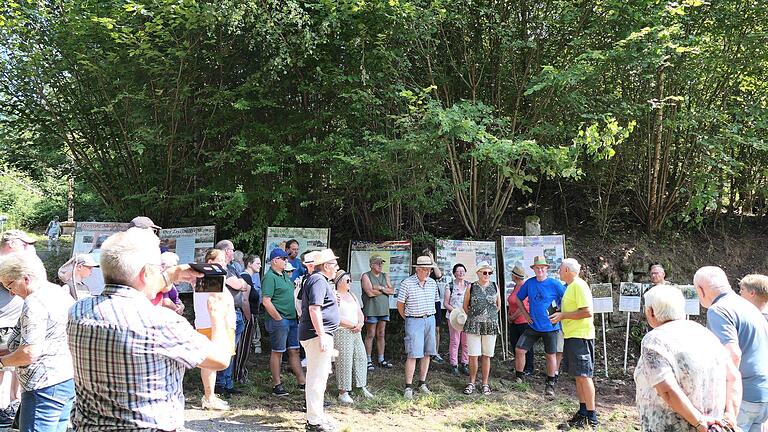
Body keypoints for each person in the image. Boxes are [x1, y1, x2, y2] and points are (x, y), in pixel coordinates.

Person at [67, 228, 233, 431]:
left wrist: (171, 275)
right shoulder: (162, 323)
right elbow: (220, 359)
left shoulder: (77, 312)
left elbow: (131, 294)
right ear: (147, 273)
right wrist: (217, 314)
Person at [635, 285, 740, 431]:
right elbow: (733, 376)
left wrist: (698, 422)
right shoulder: (704, 333)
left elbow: (666, 389)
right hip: (713, 426)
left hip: (674, 426)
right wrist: (730, 416)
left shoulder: (655, 339)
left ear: (650, 311)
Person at [0, 252, 74, 432]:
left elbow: (29, 353)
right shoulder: (59, 292)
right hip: (65, 379)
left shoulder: (34, 302)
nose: (10, 292)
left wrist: (2, 363)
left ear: (25, 278)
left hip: (42, 387)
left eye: (10, 284)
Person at [696, 266, 768, 431]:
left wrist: (729, 407)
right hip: (763, 394)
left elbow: (732, 355)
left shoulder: (719, 310)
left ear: (700, 290)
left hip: (743, 396)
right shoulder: (749, 307)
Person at [548, 258, 598, 429]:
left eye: (560, 269)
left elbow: (587, 312)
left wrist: (563, 315)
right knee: (578, 376)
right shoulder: (571, 287)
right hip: (572, 336)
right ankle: (583, 412)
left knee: (584, 376)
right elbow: (575, 310)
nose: (559, 272)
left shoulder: (579, 285)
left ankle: (592, 417)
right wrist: (560, 313)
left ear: (568, 270)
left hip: (581, 337)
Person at [299, 249, 341, 431]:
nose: (337, 268)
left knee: (319, 377)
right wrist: (322, 335)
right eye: (334, 264)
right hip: (316, 336)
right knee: (317, 378)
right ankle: (314, 422)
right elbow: (314, 309)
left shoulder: (318, 280)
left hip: (317, 335)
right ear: (326, 266)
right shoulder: (318, 280)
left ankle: (317, 416)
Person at [512, 255, 566, 396]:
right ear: (534, 269)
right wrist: (525, 314)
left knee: (550, 355)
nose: (540, 270)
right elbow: (518, 299)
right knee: (519, 349)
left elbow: (566, 299)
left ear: (546, 269)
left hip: (551, 327)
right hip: (533, 326)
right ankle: (519, 376)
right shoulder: (529, 283)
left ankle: (550, 382)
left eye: (542, 267)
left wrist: (560, 312)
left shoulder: (554, 284)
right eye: (537, 268)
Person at [193, 249, 237, 410]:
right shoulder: (209, 277)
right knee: (210, 363)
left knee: (212, 363)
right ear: (210, 263)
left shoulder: (211, 277)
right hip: (211, 326)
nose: (224, 263)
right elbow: (214, 303)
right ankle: (209, 397)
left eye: (225, 260)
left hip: (216, 325)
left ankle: (210, 396)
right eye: (221, 260)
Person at [0, 230, 33, 426]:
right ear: (11, 244)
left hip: (12, 322)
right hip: (3, 324)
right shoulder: (6, 264)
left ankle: (10, 405)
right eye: (24, 244)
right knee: (4, 366)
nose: (27, 248)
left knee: (12, 366)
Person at [262, 247, 306, 396]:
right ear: (275, 260)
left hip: (292, 319)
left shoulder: (284, 276)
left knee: (295, 350)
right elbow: (266, 301)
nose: (287, 261)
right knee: (277, 352)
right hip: (280, 320)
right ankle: (277, 385)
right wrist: (279, 319)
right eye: (284, 258)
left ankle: (302, 382)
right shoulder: (270, 277)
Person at [397, 255, 441, 400]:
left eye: (429, 270)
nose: (427, 272)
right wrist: (410, 318)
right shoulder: (407, 283)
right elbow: (400, 305)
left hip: (430, 319)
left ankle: (422, 383)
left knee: (427, 353)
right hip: (414, 320)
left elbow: (436, 302)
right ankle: (408, 387)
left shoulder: (432, 283)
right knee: (413, 354)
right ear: (417, 269)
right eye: (424, 270)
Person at [213, 240, 249, 396]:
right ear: (226, 251)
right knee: (225, 350)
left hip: (237, 312)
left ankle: (228, 383)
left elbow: (245, 285)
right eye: (232, 250)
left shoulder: (232, 267)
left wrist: (242, 284)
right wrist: (241, 284)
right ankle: (221, 384)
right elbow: (238, 285)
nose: (234, 253)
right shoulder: (220, 269)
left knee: (232, 350)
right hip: (226, 313)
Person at [333, 270, 373, 405]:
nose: (350, 283)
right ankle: (343, 392)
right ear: (339, 282)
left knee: (360, 357)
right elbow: (336, 317)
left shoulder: (352, 295)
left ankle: (361, 385)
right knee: (345, 360)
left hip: (356, 331)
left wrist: (360, 324)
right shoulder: (335, 296)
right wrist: (352, 325)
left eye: (350, 280)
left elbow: (359, 312)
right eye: (347, 280)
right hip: (343, 331)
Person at [461, 262, 501, 396]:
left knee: (487, 355)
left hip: (490, 325)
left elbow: (498, 305)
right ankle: (471, 382)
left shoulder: (495, 286)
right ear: (478, 273)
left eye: (490, 273)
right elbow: (465, 306)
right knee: (473, 355)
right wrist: (475, 317)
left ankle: (485, 383)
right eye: (485, 272)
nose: (487, 275)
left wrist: (489, 317)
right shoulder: (471, 287)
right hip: (474, 325)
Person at [361, 254, 394, 371]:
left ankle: (381, 359)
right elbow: (369, 293)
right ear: (371, 264)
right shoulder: (366, 276)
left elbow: (392, 290)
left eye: (381, 263)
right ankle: (367, 360)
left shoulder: (386, 275)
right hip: (371, 310)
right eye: (377, 263)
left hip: (384, 310)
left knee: (381, 334)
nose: (380, 265)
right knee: (370, 334)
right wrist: (385, 290)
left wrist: (379, 288)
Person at [507, 264, 534, 376]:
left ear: (515, 276)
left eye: (512, 274)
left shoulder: (524, 287)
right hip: (514, 322)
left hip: (523, 321)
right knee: (515, 344)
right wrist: (510, 315)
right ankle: (519, 366)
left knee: (525, 346)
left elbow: (523, 305)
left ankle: (528, 367)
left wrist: (513, 317)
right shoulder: (515, 286)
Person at [445, 263, 469, 376]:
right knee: (455, 341)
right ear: (454, 273)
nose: (461, 273)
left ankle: (465, 363)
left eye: (462, 271)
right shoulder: (449, 286)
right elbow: (446, 303)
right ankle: (454, 365)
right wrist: (455, 311)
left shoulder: (469, 286)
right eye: (458, 271)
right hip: (454, 318)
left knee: (466, 342)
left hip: (466, 318)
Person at [422, 248, 445, 364]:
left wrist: (432, 260)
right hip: (422, 301)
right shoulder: (420, 271)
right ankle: (423, 352)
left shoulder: (432, 271)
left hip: (434, 301)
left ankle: (435, 352)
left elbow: (439, 274)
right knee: (423, 328)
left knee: (436, 328)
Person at [241, 254, 263, 353]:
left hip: (249, 316)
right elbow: (245, 300)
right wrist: (249, 318)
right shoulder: (246, 277)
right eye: (257, 263)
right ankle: (238, 368)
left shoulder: (248, 277)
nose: (260, 266)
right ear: (249, 264)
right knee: (243, 345)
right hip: (246, 317)